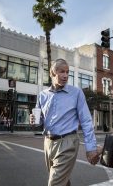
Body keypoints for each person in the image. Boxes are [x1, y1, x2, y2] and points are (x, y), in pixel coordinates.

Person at [30, 58, 100, 186]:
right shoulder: (42, 95)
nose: (66, 75)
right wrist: (34, 121)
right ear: (53, 73)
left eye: (67, 72)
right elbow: (40, 122)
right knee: (63, 181)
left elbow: (86, 120)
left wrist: (91, 148)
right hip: (48, 143)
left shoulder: (76, 93)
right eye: (62, 71)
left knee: (55, 183)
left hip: (68, 142)